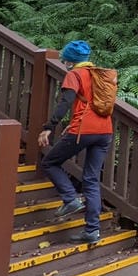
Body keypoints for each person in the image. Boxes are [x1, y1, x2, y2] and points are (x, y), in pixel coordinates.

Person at [38, 40, 113, 244]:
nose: (64, 63)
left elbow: (65, 102)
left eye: (65, 60)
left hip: (83, 129)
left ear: (71, 61)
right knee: (91, 179)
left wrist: (48, 127)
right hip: (105, 131)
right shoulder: (98, 74)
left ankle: (70, 199)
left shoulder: (74, 75)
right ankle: (92, 231)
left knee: (49, 162)